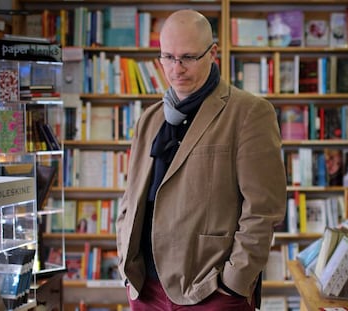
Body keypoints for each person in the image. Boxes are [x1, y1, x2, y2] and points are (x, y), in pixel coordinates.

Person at [116, 9, 286, 311]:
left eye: (188, 57)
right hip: (145, 289)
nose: (176, 68)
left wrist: (232, 284)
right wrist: (127, 272)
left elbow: (264, 210)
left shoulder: (249, 113)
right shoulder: (149, 119)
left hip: (209, 291)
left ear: (213, 53)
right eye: (167, 57)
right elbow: (131, 198)